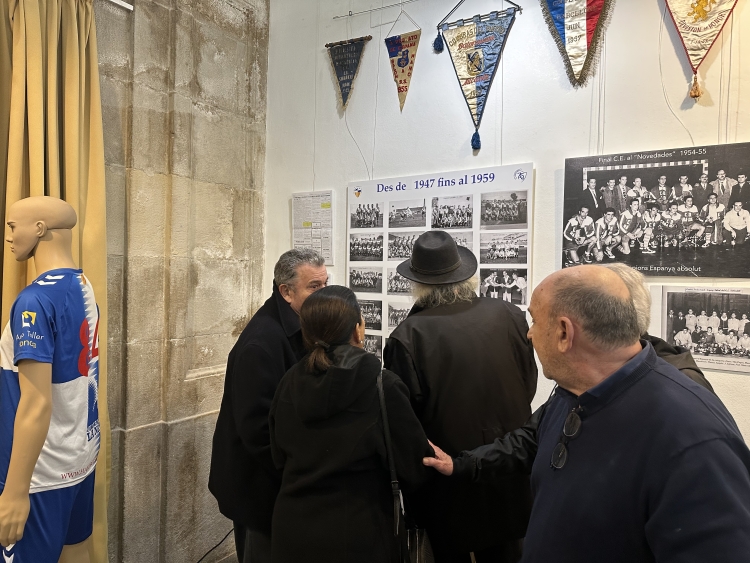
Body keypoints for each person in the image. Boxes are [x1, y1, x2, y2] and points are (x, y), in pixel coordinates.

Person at [424, 265, 750, 562]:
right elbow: (532, 441)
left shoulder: (692, 435)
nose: (529, 334)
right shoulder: (574, 391)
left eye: (535, 321)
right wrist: (463, 464)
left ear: (565, 333)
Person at [384, 231, 537, 563]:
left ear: (418, 283)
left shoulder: (407, 336)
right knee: (507, 551)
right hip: (508, 462)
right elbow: (529, 382)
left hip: (448, 474)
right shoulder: (509, 314)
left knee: (450, 552)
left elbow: (406, 421)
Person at [268, 286, 432, 563]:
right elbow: (414, 468)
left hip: (293, 531)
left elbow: (277, 456)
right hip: (360, 533)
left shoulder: (288, 383)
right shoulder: (384, 386)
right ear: (358, 330)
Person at [208, 248, 328, 563]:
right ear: (286, 292)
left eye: (325, 284)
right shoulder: (260, 345)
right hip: (259, 488)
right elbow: (258, 431)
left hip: (280, 483)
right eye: (313, 287)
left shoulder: (300, 324)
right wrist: (299, 471)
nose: (322, 294)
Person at [0, 197, 100, 563]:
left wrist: (14, 492)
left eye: (13, 227)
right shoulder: (83, 284)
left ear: (39, 229)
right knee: (77, 553)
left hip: (40, 474)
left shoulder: (34, 301)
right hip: (81, 456)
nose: (9, 237)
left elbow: (36, 403)